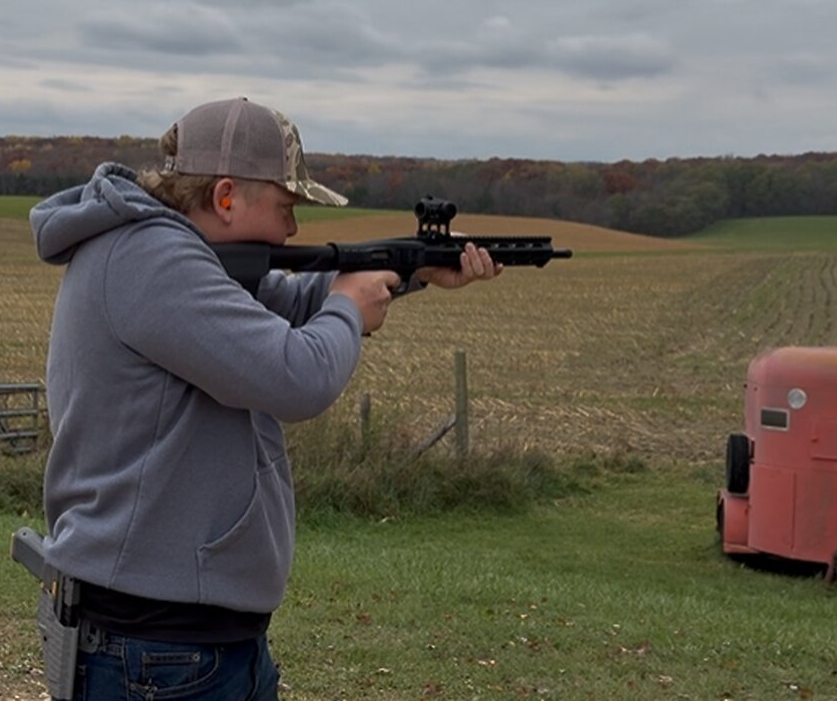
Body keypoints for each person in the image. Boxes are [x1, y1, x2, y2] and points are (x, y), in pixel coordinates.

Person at [28, 97, 502, 700]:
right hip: (162, 651)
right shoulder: (153, 260)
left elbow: (286, 299)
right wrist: (349, 310)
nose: (292, 230)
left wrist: (412, 269)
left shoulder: (171, 254)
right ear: (226, 197)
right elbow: (296, 375)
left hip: (189, 642)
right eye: (285, 207)